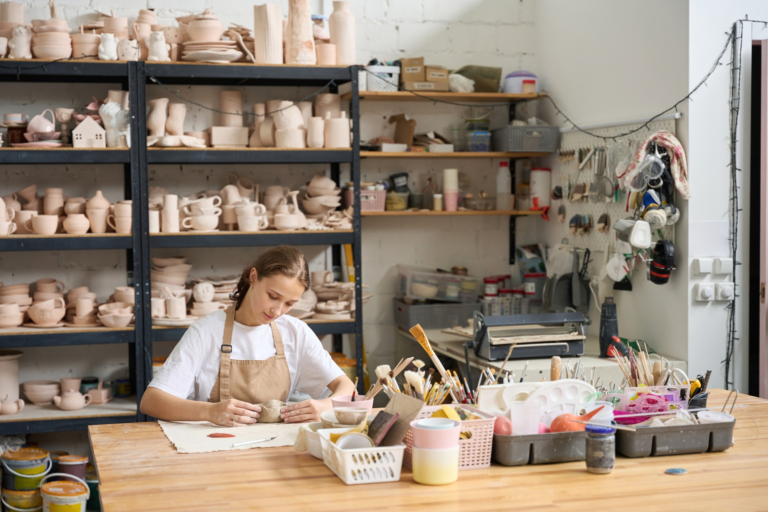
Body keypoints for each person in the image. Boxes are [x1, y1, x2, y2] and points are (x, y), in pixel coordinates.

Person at [140, 245, 355, 426]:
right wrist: (209, 412)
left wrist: (325, 406)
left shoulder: (295, 332)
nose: (277, 311)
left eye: (289, 303)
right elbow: (152, 401)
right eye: (273, 296)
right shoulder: (206, 331)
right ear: (253, 277)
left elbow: (347, 388)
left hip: (275, 448)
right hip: (213, 445)